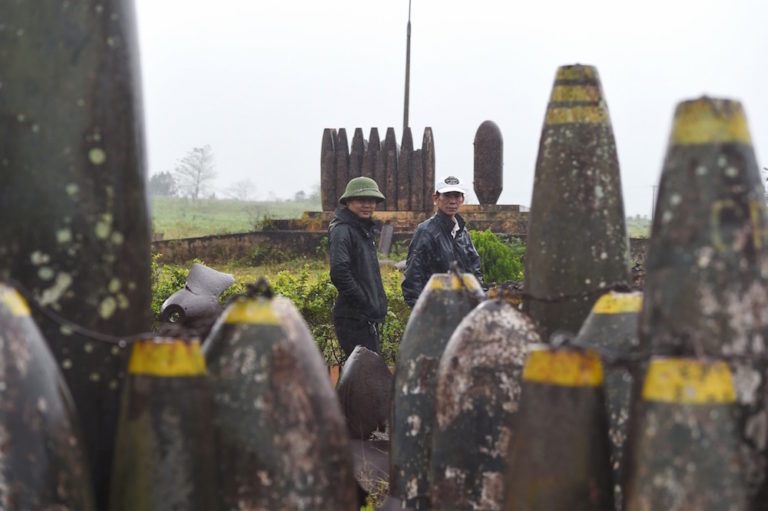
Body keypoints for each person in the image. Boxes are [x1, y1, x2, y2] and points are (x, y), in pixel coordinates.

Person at [401, 175, 484, 307]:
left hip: (463, 306)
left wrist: (480, 298)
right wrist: (420, 309)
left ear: (462, 199)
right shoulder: (426, 231)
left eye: (457, 196)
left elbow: (475, 269)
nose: (452, 201)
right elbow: (413, 274)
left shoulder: (462, 232)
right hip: (436, 308)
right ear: (436, 198)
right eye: (447, 196)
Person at [329, 176, 388, 357]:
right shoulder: (343, 229)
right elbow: (340, 272)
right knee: (365, 376)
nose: (368, 205)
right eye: (362, 200)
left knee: (367, 374)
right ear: (348, 201)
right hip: (353, 318)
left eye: (372, 200)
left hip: (364, 318)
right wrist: (364, 301)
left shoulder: (362, 229)